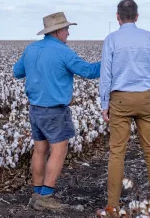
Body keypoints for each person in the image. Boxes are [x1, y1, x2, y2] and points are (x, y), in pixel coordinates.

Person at [13, 11, 101, 211]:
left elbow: (17, 72)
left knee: (40, 151)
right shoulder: (63, 51)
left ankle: (36, 194)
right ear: (58, 31)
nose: (68, 33)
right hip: (55, 111)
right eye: (67, 29)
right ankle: (46, 195)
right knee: (59, 151)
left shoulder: (31, 49)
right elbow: (89, 72)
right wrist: (110, 62)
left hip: (35, 109)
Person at [96, 0, 150, 217]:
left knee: (117, 153)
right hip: (146, 98)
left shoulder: (111, 39)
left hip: (120, 100)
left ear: (118, 17)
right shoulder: (149, 38)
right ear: (137, 16)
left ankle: (112, 207)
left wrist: (104, 104)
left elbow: (105, 74)